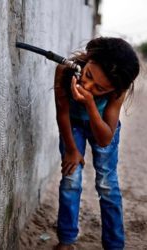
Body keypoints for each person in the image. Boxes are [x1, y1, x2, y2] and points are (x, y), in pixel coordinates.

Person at [53, 37, 140, 250]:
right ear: (89, 59)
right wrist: (72, 150)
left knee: (107, 184)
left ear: (113, 89)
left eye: (100, 89)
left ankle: (114, 244)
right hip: (72, 124)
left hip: (103, 127)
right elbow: (62, 113)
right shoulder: (65, 70)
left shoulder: (118, 90)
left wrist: (91, 104)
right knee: (70, 179)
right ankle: (66, 240)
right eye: (88, 75)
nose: (87, 86)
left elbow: (105, 139)